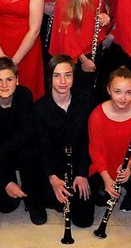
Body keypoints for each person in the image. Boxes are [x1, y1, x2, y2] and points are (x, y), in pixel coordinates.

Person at [33, 56, 96, 229]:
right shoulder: (39, 108)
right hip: (52, 167)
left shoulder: (85, 101)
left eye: (67, 75)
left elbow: (88, 140)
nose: (62, 81)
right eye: (57, 76)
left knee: (84, 220)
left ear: (73, 77)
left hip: (78, 163)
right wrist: (53, 178)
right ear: (49, 78)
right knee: (50, 197)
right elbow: (42, 148)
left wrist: (82, 173)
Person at [0, 58, 44, 222]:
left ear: (17, 80)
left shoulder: (25, 95)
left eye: (9, 79)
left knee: (32, 150)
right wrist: (5, 182)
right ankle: (10, 182)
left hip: (19, 149)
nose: (4, 85)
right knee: (6, 205)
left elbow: (26, 131)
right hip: (0, 156)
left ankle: (33, 199)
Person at [88, 68, 131, 213]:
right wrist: (106, 178)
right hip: (106, 164)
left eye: (129, 92)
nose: (123, 98)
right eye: (117, 91)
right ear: (108, 90)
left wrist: (129, 165)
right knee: (100, 198)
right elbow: (96, 151)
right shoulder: (97, 115)